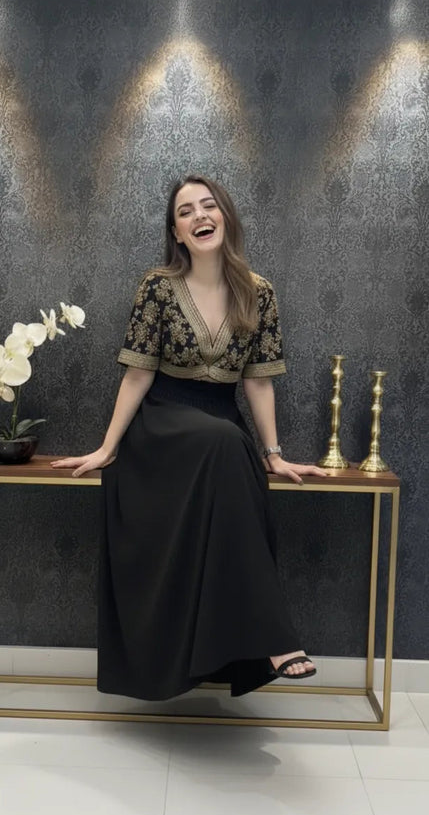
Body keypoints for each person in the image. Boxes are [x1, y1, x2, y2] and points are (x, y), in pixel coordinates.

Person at [51, 173, 327, 701]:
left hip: (222, 426)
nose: (199, 216)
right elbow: (138, 374)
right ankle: (278, 640)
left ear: (225, 217)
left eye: (208, 206)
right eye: (185, 211)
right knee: (224, 443)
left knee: (228, 447)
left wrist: (273, 454)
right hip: (162, 422)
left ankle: (247, 642)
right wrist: (108, 447)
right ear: (176, 233)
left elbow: (258, 381)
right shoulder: (157, 286)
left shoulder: (259, 292)